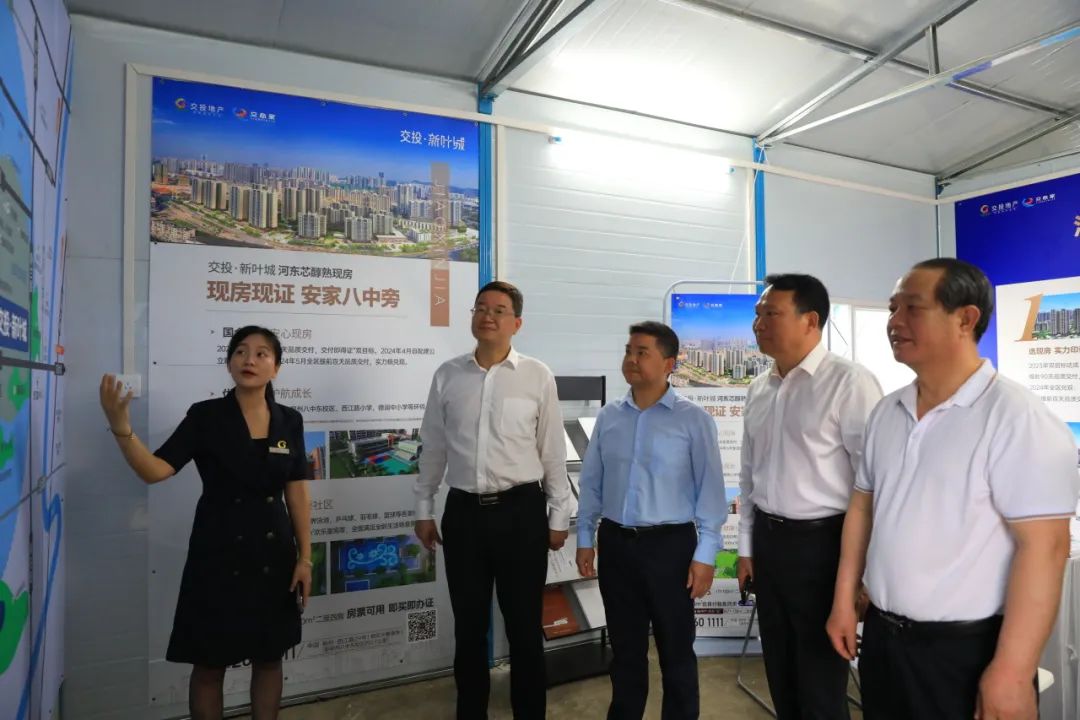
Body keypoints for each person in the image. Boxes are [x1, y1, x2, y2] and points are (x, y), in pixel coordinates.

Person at [826, 258, 1079, 720]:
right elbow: (862, 507)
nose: (894, 322)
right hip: (884, 639)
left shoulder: (1016, 418)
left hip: (964, 651)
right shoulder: (887, 412)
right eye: (892, 308)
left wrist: (1012, 672)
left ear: (965, 318)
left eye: (913, 308)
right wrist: (844, 600)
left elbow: (1045, 548)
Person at [100, 326, 312, 720]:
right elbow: (155, 470)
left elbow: (297, 492)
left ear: (276, 368)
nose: (250, 360)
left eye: (262, 353)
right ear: (229, 363)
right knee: (209, 665)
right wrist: (120, 426)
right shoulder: (206, 416)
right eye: (241, 352)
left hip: (274, 555)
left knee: (269, 659)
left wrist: (305, 558)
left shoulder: (289, 420)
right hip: (217, 555)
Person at [414, 280, 571, 720]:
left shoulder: (537, 375)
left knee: (524, 629)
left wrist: (559, 516)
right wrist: (423, 507)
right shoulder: (447, 376)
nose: (488, 315)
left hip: (521, 514)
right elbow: (433, 447)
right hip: (464, 514)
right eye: (481, 307)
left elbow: (551, 451)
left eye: (499, 310)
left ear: (516, 323)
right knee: (469, 630)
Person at [737, 274, 882, 719]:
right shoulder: (759, 388)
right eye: (758, 314)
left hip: (825, 547)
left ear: (810, 320)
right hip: (770, 544)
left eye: (771, 313)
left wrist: (866, 573)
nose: (759, 324)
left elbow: (875, 482)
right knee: (780, 671)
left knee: (820, 682)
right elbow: (749, 476)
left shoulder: (849, 383)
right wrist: (746, 549)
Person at [576, 320, 727, 720]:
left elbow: (711, 494)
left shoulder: (693, 420)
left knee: (676, 651)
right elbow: (591, 483)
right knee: (625, 652)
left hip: (670, 548)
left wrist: (706, 555)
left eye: (642, 352)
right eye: (629, 351)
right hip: (616, 545)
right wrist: (585, 538)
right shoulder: (610, 417)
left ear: (669, 363)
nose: (632, 359)